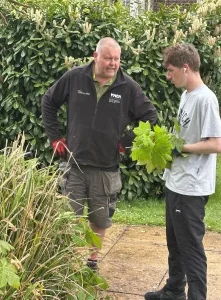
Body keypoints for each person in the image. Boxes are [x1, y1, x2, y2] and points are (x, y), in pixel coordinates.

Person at [41, 37, 157, 271]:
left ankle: (92, 260)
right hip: (74, 163)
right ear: (96, 57)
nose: (113, 63)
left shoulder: (128, 87)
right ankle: (65, 261)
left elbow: (150, 117)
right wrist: (54, 137)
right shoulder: (75, 77)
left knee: (100, 218)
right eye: (108, 58)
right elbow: (48, 101)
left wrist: (126, 142)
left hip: (106, 167)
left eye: (117, 59)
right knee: (67, 216)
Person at [144, 43, 221, 300]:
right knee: (175, 245)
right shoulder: (186, 95)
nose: (168, 76)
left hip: (191, 187)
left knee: (191, 250)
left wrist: (182, 149)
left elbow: (217, 144)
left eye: (170, 71)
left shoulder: (205, 98)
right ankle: (174, 291)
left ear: (185, 68)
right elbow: (184, 136)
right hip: (176, 182)